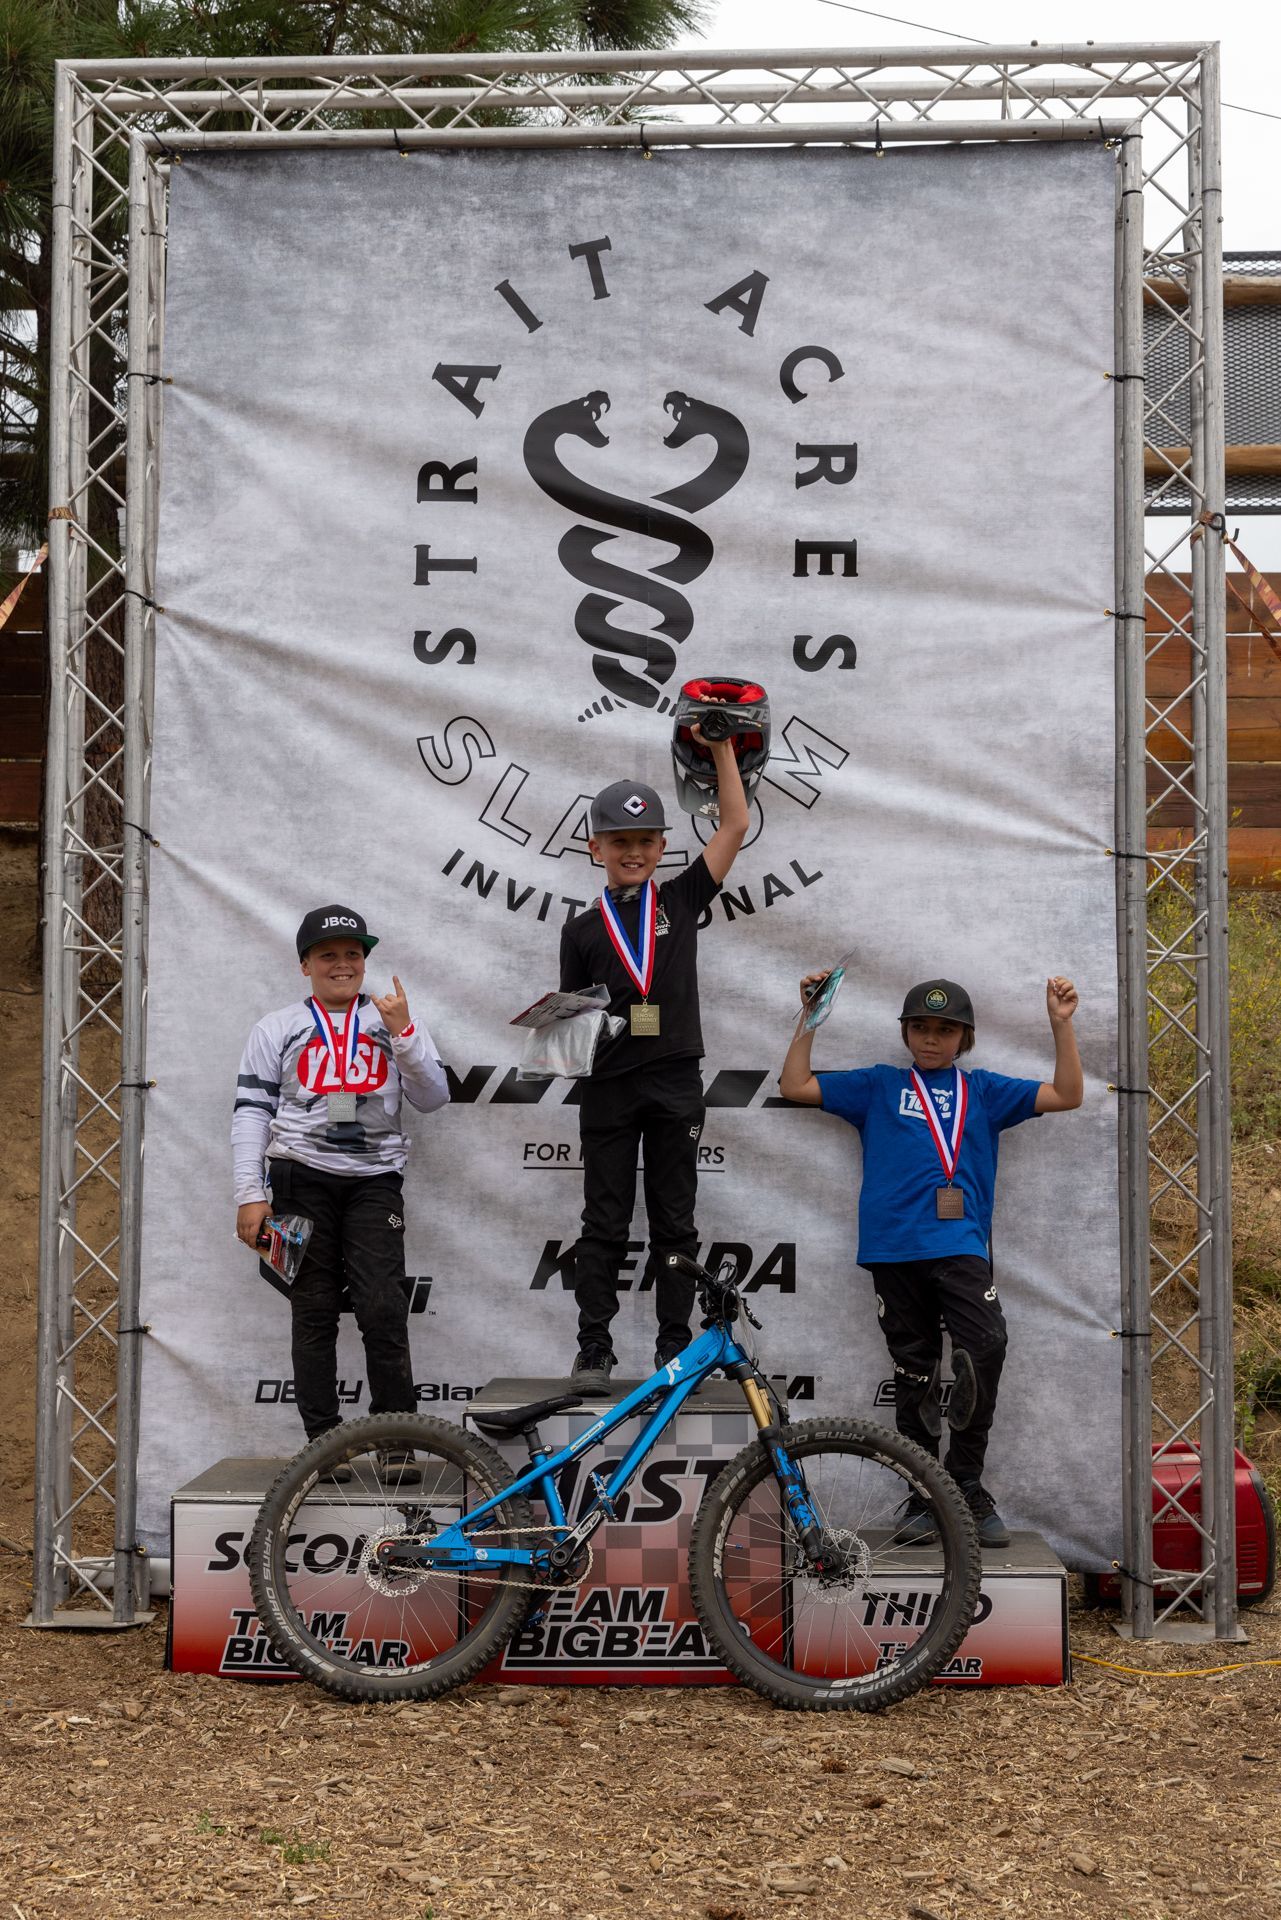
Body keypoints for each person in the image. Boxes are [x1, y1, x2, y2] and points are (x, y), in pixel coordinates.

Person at [779, 974, 1083, 1546]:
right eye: (920, 1027)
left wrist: (1060, 1025)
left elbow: (1068, 1095)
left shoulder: (986, 1091)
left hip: (961, 1246)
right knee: (914, 1370)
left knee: (985, 1345)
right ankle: (924, 1495)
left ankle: (965, 1484)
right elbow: (794, 1084)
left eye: (945, 1030)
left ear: (964, 1038)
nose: (931, 1039)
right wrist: (810, 1015)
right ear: (905, 1031)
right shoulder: (879, 1084)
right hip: (894, 1250)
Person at [559, 735, 749, 1393]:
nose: (633, 851)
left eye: (645, 840)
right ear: (595, 850)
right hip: (608, 1084)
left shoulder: (681, 899)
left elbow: (734, 824)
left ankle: (675, 1349)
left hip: (673, 1079)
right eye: (619, 841)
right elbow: (575, 1018)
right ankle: (593, 1350)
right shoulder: (580, 932)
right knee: (603, 1222)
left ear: (661, 848)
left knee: (674, 1221)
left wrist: (722, 749)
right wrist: (552, 1040)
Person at [232, 905, 449, 1473]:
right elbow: (251, 1113)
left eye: (353, 953)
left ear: (365, 961)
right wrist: (249, 1193)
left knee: (383, 1306)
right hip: (298, 1179)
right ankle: (324, 1442)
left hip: (374, 1181)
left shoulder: (392, 1020)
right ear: (305, 963)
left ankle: (396, 1438)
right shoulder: (276, 1027)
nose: (342, 964)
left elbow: (434, 1097)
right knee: (314, 1309)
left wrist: (404, 1033)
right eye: (328, 954)